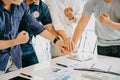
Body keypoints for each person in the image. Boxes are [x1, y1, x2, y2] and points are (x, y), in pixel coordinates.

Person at [0, 0, 67, 74]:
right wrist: (16, 41)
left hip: (15, 58)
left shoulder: (21, 5)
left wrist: (57, 41)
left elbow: (36, 27)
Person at [20, 0, 58, 67]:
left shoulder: (42, 7)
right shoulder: (15, 3)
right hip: (8, 48)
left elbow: (46, 28)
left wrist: (59, 41)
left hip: (27, 47)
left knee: (32, 73)